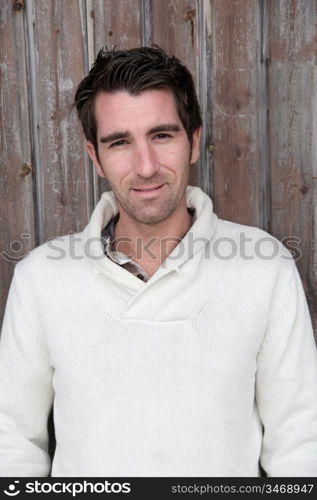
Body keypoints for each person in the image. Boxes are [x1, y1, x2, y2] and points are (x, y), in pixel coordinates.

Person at [1, 46, 317, 478]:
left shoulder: (265, 268)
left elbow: (302, 444)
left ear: (193, 141)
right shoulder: (41, 278)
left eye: (162, 135)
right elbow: (11, 441)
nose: (145, 166)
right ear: (95, 157)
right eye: (120, 142)